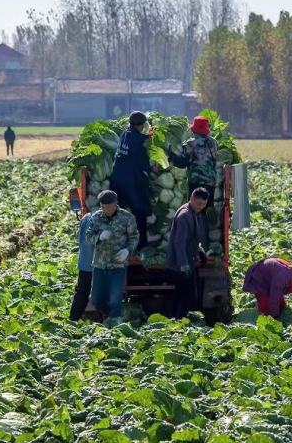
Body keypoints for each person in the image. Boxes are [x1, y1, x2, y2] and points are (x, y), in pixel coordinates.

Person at [85, 190, 139, 323]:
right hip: (99, 263)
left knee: (115, 297)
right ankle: (106, 315)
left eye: (108, 206)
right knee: (96, 298)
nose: (106, 210)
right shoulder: (96, 217)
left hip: (117, 264)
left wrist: (127, 250)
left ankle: (114, 325)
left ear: (116, 204)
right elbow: (88, 236)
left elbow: (134, 237)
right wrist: (99, 236)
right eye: (103, 207)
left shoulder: (127, 217)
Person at [109, 111, 157, 249]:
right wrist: (151, 169)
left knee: (118, 210)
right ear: (141, 125)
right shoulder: (139, 141)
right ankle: (142, 243)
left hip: (116, 178)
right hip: (130, 180)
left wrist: (147, 136)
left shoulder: (125, 134)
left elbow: (137, 138)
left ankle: (117, 242)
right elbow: (143, 160)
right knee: (139, 211)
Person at [166, 188, 211, 318]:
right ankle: (178, 319)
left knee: (181, 293)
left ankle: (176, 319)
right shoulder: (184, 216)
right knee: (184, 294)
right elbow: (179, 242)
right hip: (179, 263)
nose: (201, 207)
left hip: (186, 260)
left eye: (204, 204)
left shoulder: (194, 212)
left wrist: (201, 251)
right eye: (199, 204)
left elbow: (194, 238)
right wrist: (184, 264)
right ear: (191, 199)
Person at [242, 258, 292, 325]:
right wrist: (275, 320)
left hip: (272, 277)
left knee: (282, 308)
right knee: (266, 310)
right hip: (260, 278)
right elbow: (274, 300)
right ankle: (261, 324)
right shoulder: (282, 278)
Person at [167, 116, 218, 205]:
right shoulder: (214, 142)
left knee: (195, 209)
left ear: (193, 130)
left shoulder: (190, 144)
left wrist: (170, 155)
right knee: (207, 208)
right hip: (211, 182)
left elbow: (182, 163)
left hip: (196, 182)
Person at [69, 211, 94, 321]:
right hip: (99, 264)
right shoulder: (102, 219)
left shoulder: (86, 217)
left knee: (82, 291)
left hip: (85, 263)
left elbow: (78, 237)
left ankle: (73, 320)